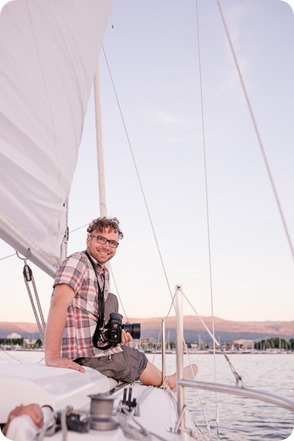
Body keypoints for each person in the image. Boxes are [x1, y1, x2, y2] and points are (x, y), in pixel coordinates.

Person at [45, 216, 180, 389]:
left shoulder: (102, 272)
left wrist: (115, 337)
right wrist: (53, 355)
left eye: (112, 243)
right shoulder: (78, 262)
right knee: (136, 359)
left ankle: (159, 376)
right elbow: (58, 304)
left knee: (112, 300)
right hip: (85, 355)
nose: (107, 246)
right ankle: (167, 382)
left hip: (95, 347)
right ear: (88, 240)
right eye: (101, 239)